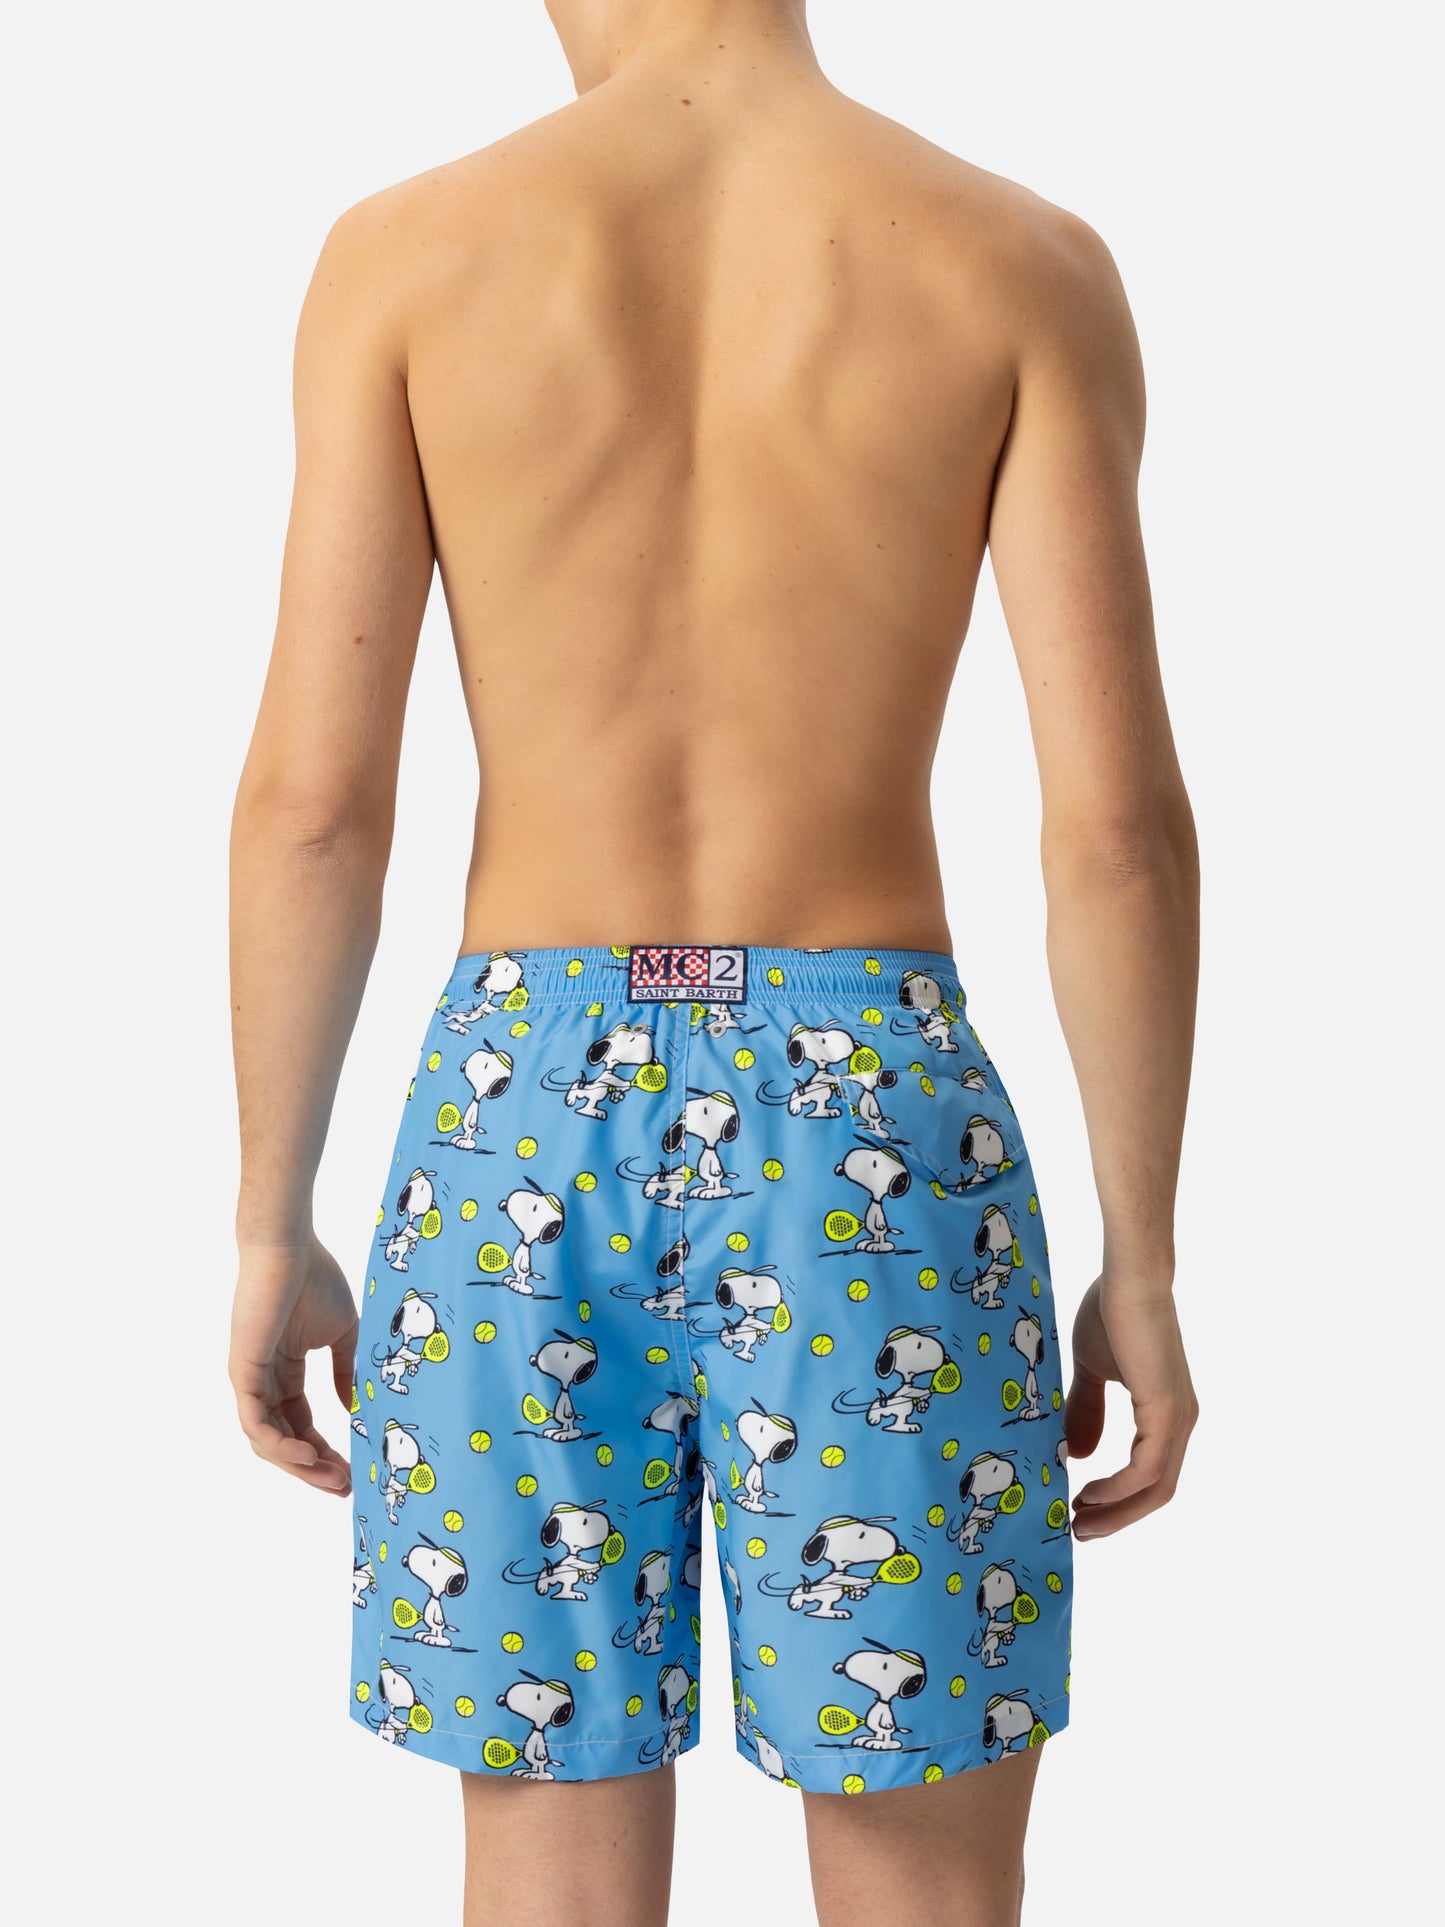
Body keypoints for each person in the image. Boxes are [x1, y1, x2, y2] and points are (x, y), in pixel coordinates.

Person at [228, 2, 1199, 1921]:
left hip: (517, 1116)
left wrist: (272, 1221)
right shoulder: (1016, 259)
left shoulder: (406, 253)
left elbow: (312, 807)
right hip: (877, 1126)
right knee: (924, 1868)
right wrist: (1143, 1259)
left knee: (547, 1866)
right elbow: (1114, 830)